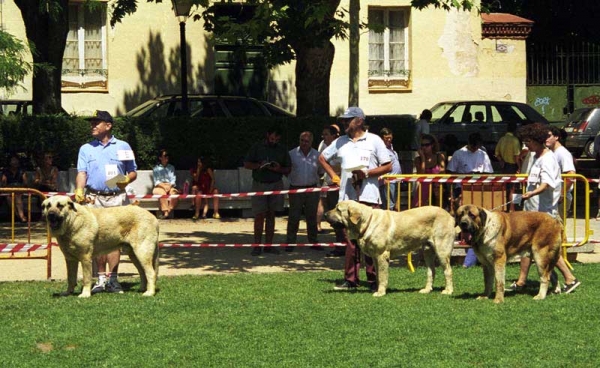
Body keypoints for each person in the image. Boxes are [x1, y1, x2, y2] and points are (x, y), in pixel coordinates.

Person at [319, 106, 392, 291]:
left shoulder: (374, 140)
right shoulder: (340, 142)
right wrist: (334, 177)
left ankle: (374, 280)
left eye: (348, 119)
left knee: (371, 241)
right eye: (344, 119)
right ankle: (351, 280)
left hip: (369, 198)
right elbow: (322, 158)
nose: (344, 122)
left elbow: (388, 166)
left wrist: (366, 173)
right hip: (347, 201)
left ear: (359, 120)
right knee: (351, 241)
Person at [509, 123, 580, 294]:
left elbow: (546, 184)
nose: (527, 146)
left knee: (545, 251)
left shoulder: (548, 159)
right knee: (532, 249)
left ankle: (570, 279)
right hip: (533, 213)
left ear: (537, 141)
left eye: (529, 142)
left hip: (544, 214)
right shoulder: (536, 157)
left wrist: (531, 193)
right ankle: (541, 282)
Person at [75, 110, 137, 294]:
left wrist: (127, 179)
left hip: (117, 197)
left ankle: (114, 280)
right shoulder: (85, 148)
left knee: (116, 238)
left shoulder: (123, 146)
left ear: (108, 126)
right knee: (97, 239)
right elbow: (82, 172)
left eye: (97, 122)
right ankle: (101, 279)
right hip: (94, 198)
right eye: (92, 122)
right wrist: (79, 189)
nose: (92, 125)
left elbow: (133, 171)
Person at [446, 132, 493, 268]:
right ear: (469, 143)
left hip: (479, 189)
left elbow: (489, 172)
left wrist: (478, 176)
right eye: (473, 146)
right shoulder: (459, 154)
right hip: (461, 189)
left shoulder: (483, 154)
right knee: (461, 219)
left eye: (477, 146)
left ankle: (474, 248)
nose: (475, 149)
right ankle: (460, 241)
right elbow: (450, 172)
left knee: (475, 219)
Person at [244, 126, 292, 256]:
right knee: (259, 215)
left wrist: (278, 169)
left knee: (271, 215)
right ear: (267, 135)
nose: (274, 140)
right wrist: (259, 165)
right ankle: (257, 245)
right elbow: (246, 164)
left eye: (277, 138)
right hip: (259, 184)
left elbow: (288, 169)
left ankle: (269, 245)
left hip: (275, 184)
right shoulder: (257, 147)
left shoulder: (282, 149)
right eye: (272, 137)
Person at [286, 131, 321, 252]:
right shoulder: (291, 154)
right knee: (293, 217)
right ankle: (290, 243)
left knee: (312, 217)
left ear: (311, 142)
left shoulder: (317, 155)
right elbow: (287, 170)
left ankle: (313, 241)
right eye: (302, 140)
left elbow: (321, 171)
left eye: (306, 141)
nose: (304, 143)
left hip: (312, 188)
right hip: (296, 188)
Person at [316, 124, 341, 234]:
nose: (324, 137)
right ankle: (318, 225)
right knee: (322, 203)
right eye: (323, 134)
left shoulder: (340, 145)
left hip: (339, 183)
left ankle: (340, 238)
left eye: (326, 134)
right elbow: (320, 161)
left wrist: (330, 168)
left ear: (334, 135)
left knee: (337, 210)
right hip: (327, 181)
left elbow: (342, 165)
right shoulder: (323, 145)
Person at [494, 122, 522, 211]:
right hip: (513, 166)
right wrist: (520, 167)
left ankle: (507, 207)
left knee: (506, 187)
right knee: (514, 188)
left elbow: (497, 154)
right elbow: (516, 156)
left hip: (505, 166)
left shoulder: (502, 139)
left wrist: (501, 161)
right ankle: (513, 208)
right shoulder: (515, 140)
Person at [412, 134, 445, 207]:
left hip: (436, 187)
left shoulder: (439, 157)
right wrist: (423, 159)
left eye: (427, 145)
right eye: (422, 145)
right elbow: (420, 175)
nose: (424, 147)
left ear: (432, 145)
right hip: (423, 188)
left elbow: (443, 172)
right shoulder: (418, 160)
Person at [379, 127, 402, 211]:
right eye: (386, 138)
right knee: (389, 204)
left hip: (396, 180)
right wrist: (384, 177)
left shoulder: (392, 150)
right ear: (382, 138)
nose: (389, 140)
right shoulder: (381, 150)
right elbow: (379, 164)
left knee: (394, 202)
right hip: (389, 181)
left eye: (390, 137)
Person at [152, 149, 179, 219]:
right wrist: (164, 186)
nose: (167, 157)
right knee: (162, 193)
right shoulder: (156, 168)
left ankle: (168, 210)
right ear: (160, 158)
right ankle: (166, 212)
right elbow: (156, 181)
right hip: (159, 186)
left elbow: (173, 180)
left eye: (167, 156)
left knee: (175, 194)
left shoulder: (171, 167)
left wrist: (169, 186)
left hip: (170, 185)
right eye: (165, 156)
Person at [1, 154, 28, 222]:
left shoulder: (22, 171)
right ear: (10, 162)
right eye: (13, 160)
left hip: (19, 189)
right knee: (9, 197)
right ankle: (19, 216)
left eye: (16, 160)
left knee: (18, 196)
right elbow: (3, 184)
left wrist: (23, 180)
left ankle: (20, 216)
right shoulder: (6, 171)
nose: (15, 162)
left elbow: (25, 183)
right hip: (9, 189)